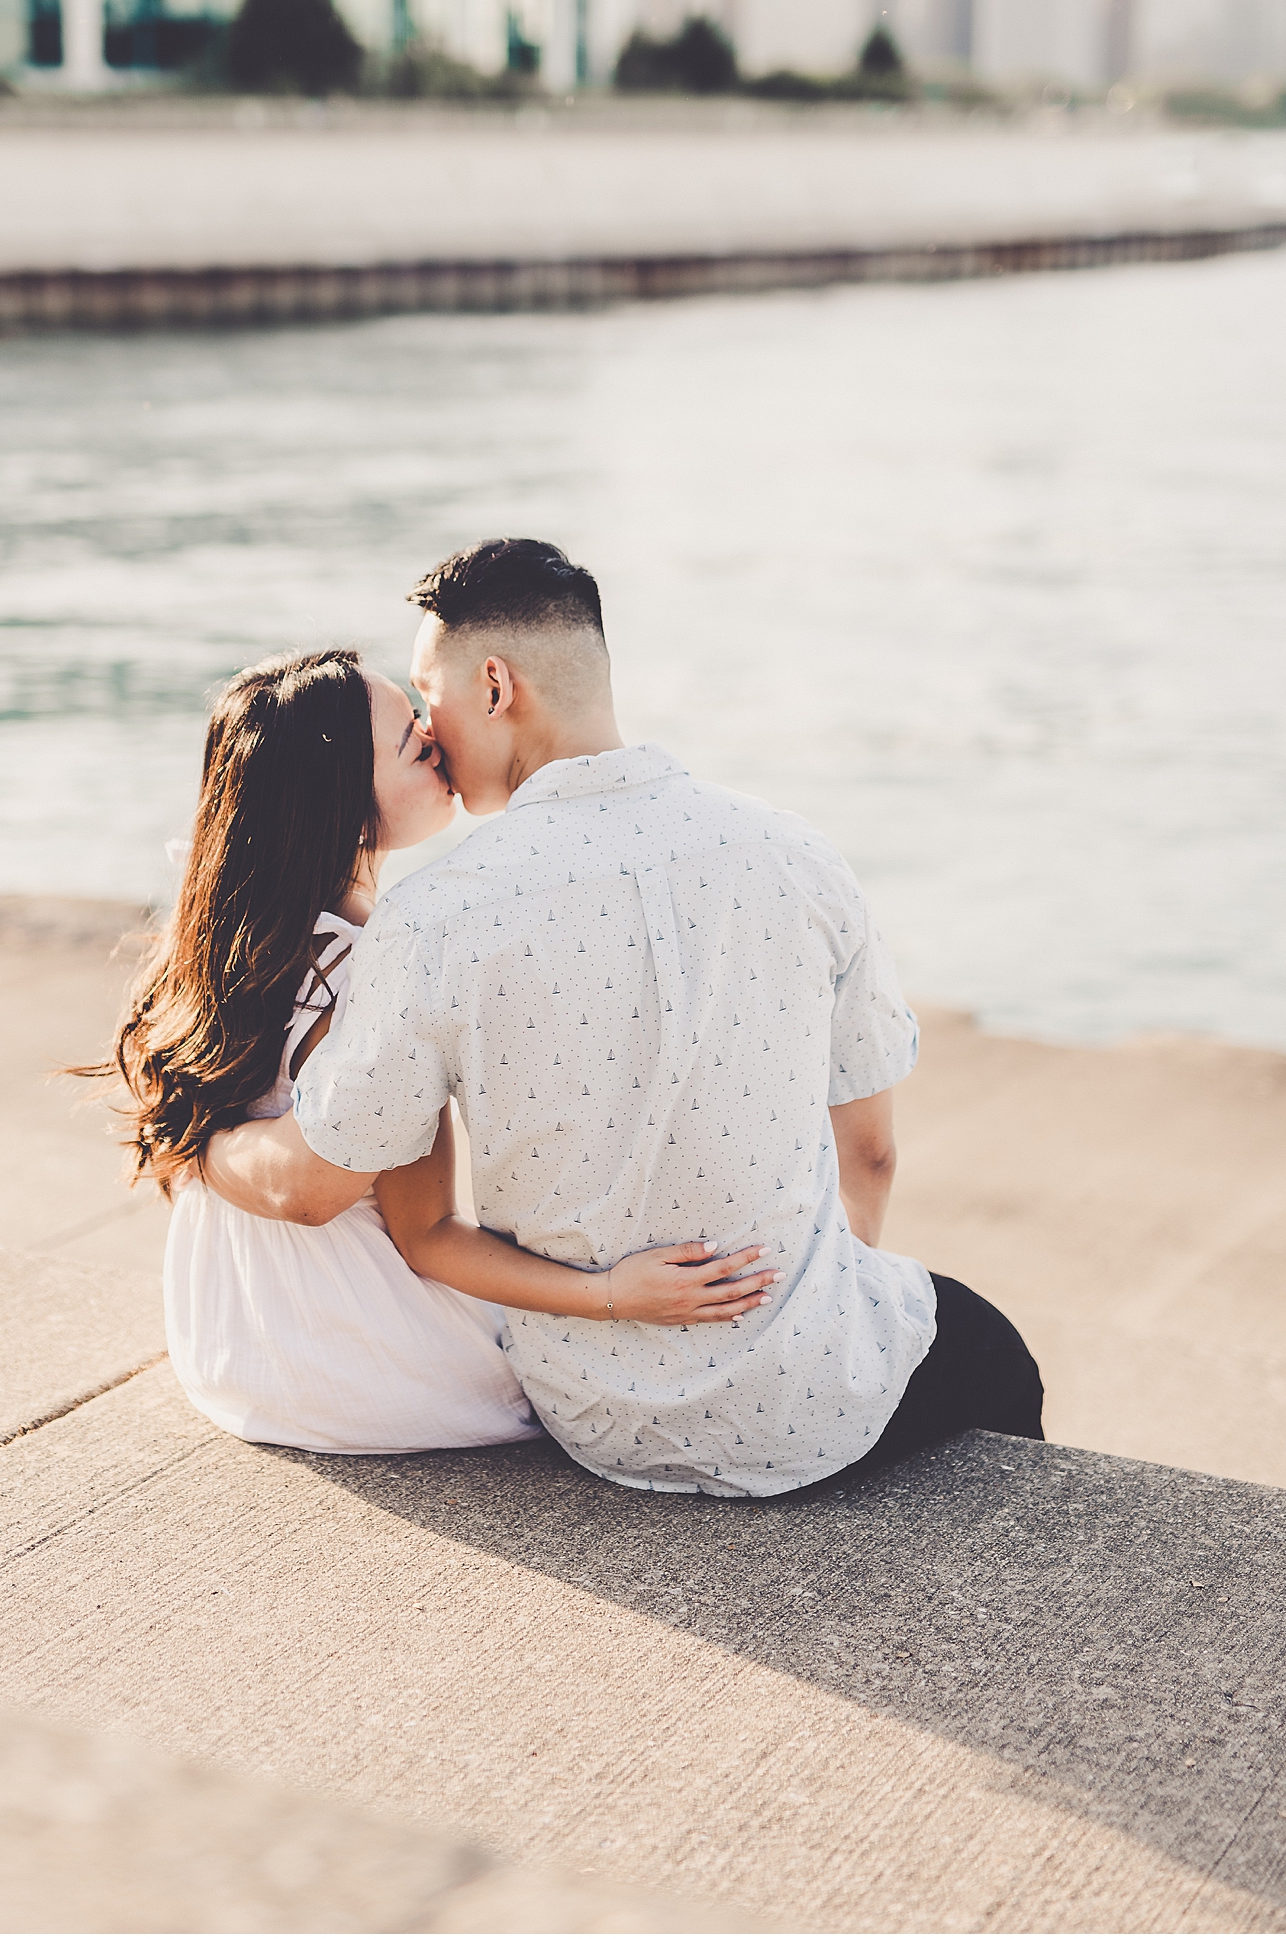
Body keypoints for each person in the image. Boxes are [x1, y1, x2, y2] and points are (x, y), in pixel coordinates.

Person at [211, 539, 1044, 1497]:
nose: (426, 732)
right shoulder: (795, 852)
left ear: (494, 686)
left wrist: (207, 1141)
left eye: (422, 695)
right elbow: (871, 1158)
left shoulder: (433, 917)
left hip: (594, 1419)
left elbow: (356, 1193)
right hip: (814, 1395)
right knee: (995, 1357)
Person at [83, 646, 774, 1456]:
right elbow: (426, 1233)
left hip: (231, 1338)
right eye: (412, 742)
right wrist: (610, 1295)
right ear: (341, 798)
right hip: (363, 1359)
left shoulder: (228, 929)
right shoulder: (367, 967)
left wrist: (205, 1146)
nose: (436, 740)